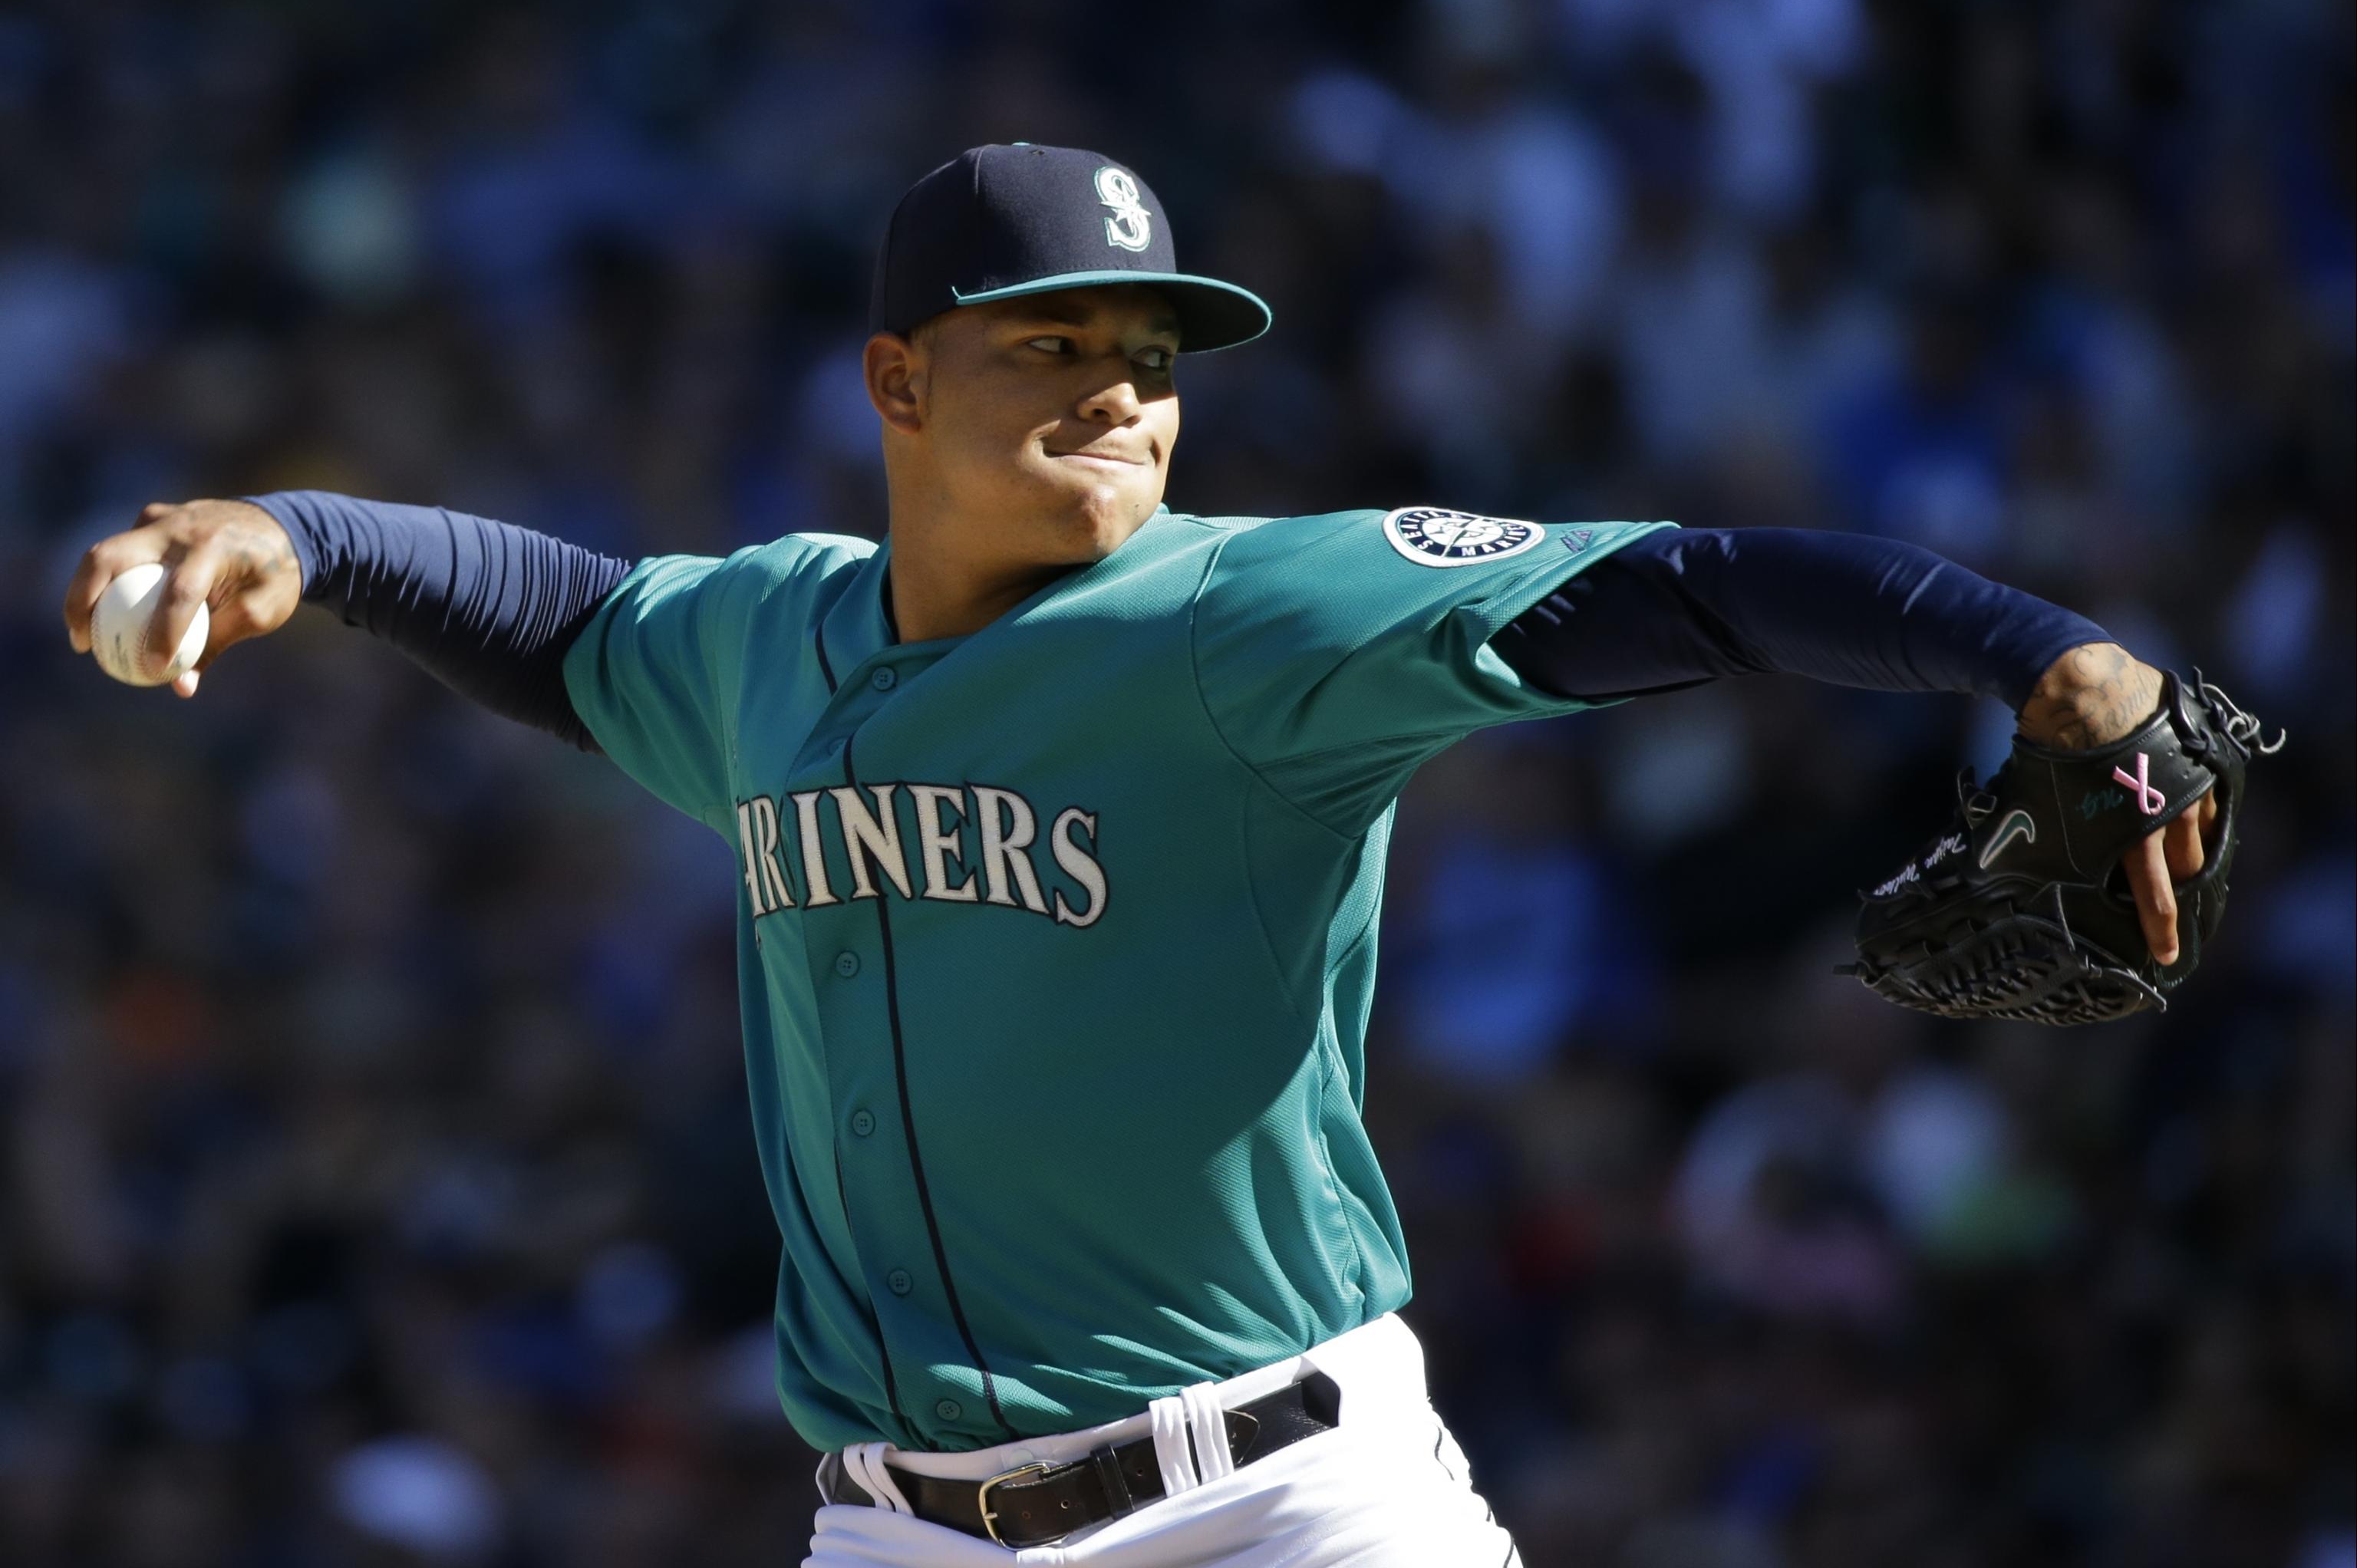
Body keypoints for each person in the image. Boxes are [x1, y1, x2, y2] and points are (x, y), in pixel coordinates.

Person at [62, 145, 2217, 1566]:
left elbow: (1691, 583)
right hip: (900, 1526)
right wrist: (302, 540)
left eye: (1152, 356)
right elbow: (557, 619)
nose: (1121, 393)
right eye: (1054, 345)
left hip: (1284, 1500)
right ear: (900, 377)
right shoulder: (763, 632)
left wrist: (2035, 654)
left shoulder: (1256, 614)